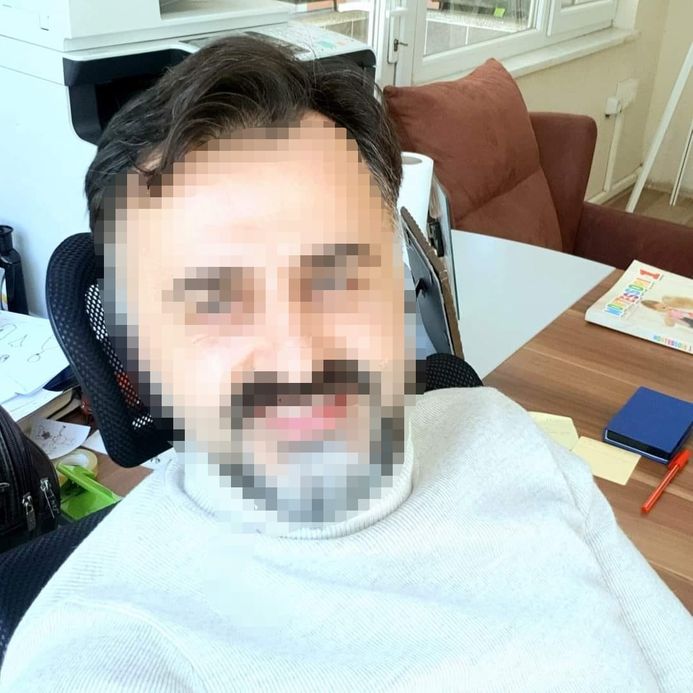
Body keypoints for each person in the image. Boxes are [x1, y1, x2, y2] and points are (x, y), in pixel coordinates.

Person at [1, 36, 691, 692]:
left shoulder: (497, 429)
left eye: (335, 276)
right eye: (213, 299)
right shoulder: (108, 645)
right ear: (137, 351)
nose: (299, 355)